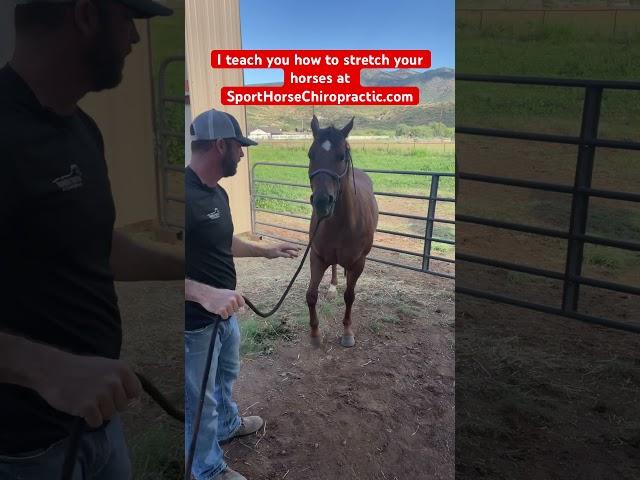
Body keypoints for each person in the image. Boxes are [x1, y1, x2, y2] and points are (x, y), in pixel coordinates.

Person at [0, 0, 183, 478]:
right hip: (22, 453)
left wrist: (187, 263)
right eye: (129, 19)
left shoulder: (83, 131)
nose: (135, 39)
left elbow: (96, 246)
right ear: (85, 15)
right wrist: (46, 369)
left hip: (98, 426)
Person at [185, 108, 300, 480]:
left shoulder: (216, 193)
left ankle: (227, 425)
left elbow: (223, 242)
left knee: (226, 374)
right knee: (198, 402)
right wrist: (205, 295)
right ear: (220, 145)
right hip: (194, 324)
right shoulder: (181, 197)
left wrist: (264, 251)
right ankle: (208, 469)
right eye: (238, 146)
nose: (242, 153)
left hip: (224, 315)